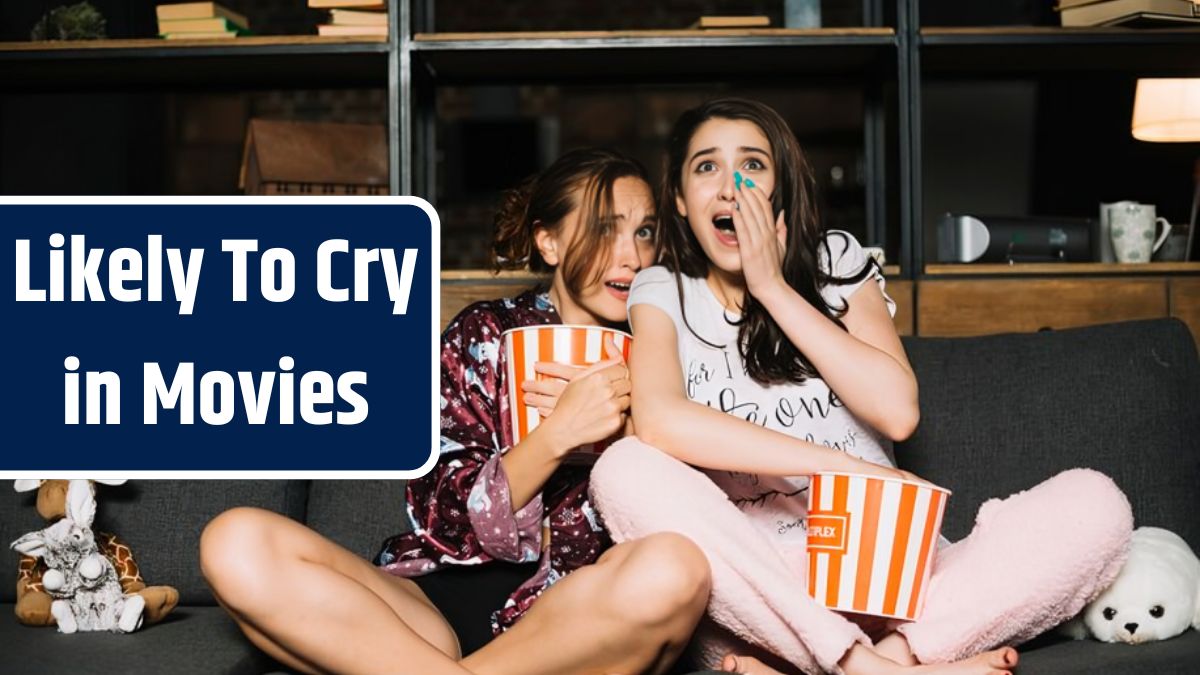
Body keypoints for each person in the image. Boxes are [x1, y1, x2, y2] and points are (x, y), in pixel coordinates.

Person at [586, 99, 1134, 675]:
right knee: (623, 469)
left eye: (752, 165)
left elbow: (897, 411)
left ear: (781, 188)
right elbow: (661, 421)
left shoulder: (836, 260)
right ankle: (857, 664)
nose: (730, 188)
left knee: (1095, 506)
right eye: (706, 168)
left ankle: (885, 659)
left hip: (891, 577)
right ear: (678, 198)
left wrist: (771, 287)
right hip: (761, 592)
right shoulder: (662, 288)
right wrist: (838, 466)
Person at [201, 148, 712, 675]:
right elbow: (438, 513)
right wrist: (557, 435)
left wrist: (637, 427)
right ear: (549, 240)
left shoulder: (668, 354)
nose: (631, 255)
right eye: (605, 229)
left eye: (645, 232)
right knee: (234, 541)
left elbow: (699, 520)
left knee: (678, 569)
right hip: (430, 611)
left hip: (573, 621)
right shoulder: (484, 332)